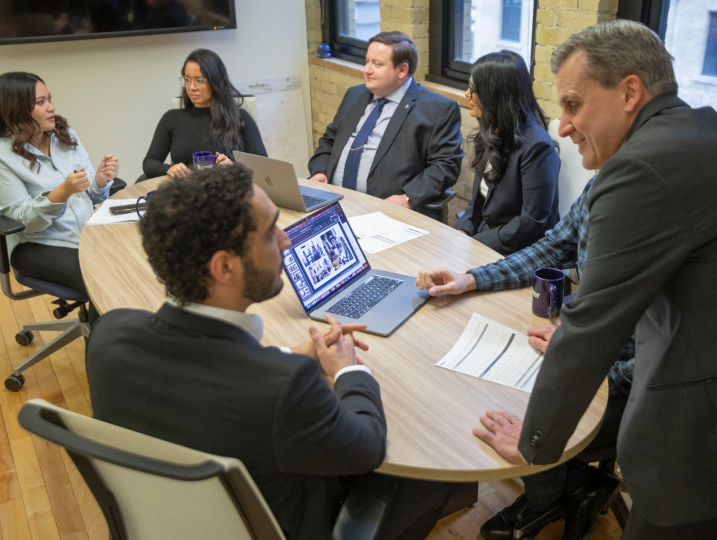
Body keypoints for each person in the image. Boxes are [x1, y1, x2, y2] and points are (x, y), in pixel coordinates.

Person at [448, 20, 717, 539]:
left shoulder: (643, 168)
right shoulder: (693, 137)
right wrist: (476, 278)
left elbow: (592, 327)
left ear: (630, 91)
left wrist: (533, 446)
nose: (561, 126)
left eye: (572, 105)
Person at [86, 164, 452, 540]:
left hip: (168, 523)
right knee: (435, 476)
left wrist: (289, 352)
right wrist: (348, 370)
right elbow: (367, 446)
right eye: (269, 233)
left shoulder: (110, 333)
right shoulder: (283, 387)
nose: (286, 241)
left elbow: (214, 375)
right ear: (224, 267)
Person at [418, 174, 633, 540]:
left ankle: (544, 501)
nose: (564, 126)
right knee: (498, 380)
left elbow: (665, 357)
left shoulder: (671, 215)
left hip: (631, 384)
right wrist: (471, 278)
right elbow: (550, 249)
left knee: (526, 410)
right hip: (589, 349)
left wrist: (588, 364)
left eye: (575, 112)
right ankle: (580, 487)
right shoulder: (602, 185)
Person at [0, 71, 118, 305]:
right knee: (104, 278)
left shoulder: (65, 136)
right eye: (41, 103)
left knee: (141, 260)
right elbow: (23, 222)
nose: (51, 107)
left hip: (86, 233)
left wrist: (100, 180)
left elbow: (89, 193)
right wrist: (62, 191)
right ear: (17, 110)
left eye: (49, 99)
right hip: (36, 246)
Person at [308, 31, 463, 221]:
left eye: (377, 64)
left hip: (386, 215)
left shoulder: (437, 109)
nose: (367, 70)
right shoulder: (354, 95)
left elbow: (446, 165)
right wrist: (319, 171)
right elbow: (329, 140)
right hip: (334, 203)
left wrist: (408, 198)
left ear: (402, 70)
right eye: (367, 61)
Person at [454, 50, 561, 255]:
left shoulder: (538, 147)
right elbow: (479, 201)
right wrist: (461, 230)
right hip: (484, 242)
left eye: (473, 88)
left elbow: (530, 223)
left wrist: (474, 244)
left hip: (516, 253)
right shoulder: (493, 129)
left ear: (495, 95)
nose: (467, 94)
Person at [141, 48, 267, 180]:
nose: (191, 87)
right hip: (185, 191)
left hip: (227, 189)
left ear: (215, 82)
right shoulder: (172, 118)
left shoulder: (240, 117)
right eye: (187, 80)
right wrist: (169, 169)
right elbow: (149, 162)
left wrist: (233, 166)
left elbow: (263, 166)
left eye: (199, 81)